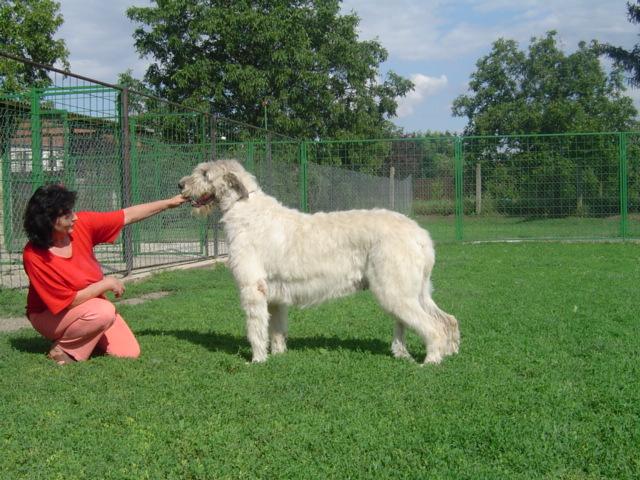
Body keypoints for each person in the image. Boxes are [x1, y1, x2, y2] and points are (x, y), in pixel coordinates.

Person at [22, 183, 188, 365]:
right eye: (67, 214)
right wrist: (105, 284)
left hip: (89, 308)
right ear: (50, 221)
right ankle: (62, 350)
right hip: (50, 315)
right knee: (103, 312)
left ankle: (86, 335)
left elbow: (127, 215)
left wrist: (169, 203)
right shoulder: (34, 255)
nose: (75, 217)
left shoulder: (82, 224)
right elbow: (69, 302)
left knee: (128, 352)